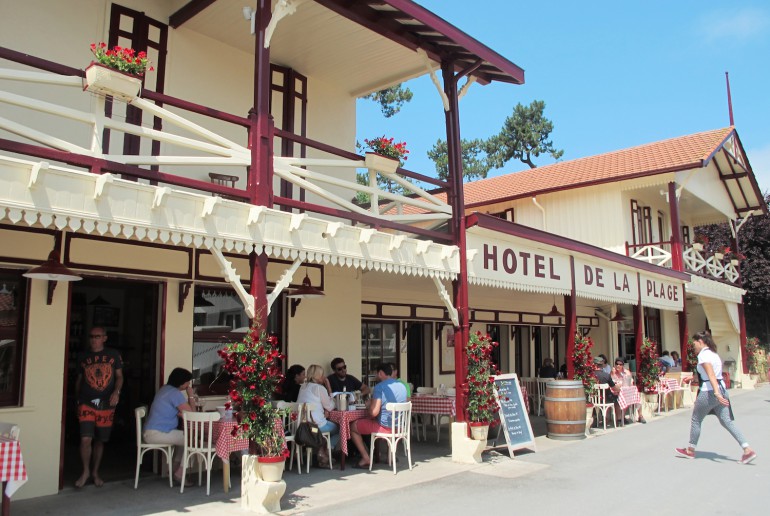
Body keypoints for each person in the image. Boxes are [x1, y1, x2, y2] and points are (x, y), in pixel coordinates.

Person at [675, 331, 756, 464]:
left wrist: (716, 393)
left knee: (696, 419)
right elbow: (711, 374)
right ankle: (747, 449)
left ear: (700, 342)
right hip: (722, 388)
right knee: (726, 421)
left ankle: (690, 450)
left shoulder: (703, 356)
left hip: (709, 391)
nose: (693, 346)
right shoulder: (714, 354)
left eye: (694, 343)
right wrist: (694, 377)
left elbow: (711, 374)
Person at [75, 327, 123, 488]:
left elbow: (119, 376)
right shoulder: (82, 356)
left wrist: (116, 392)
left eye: (97, 336)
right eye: (91, 336)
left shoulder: (113, 355)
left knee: (100, 440)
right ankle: (85, 471)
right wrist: (76, 400)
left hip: (106, 404)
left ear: (104, 338)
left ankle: (95, 472)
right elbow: (79, 379)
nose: (93, 339)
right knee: (85, 438)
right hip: (86, 402)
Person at [143, 368, 197, 486]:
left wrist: (179, 413)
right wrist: (191, 396)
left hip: (150, 432)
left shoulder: (164, 389)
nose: (189, 384)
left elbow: (169, 410)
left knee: (185, 439)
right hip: (157, 433)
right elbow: (192, 414)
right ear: (181, 382)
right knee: (193, 441)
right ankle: (179, 473)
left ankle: (174, 470)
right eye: (188, 382)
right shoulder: (175, 393)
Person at [349, 363, 407, 468]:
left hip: (385, 428)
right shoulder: (402, 386)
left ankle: (366, 457)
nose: (376, 375)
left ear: (380, 373)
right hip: (400, 427)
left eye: (376, 373)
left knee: (353, 426)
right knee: (376, 421)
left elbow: (374, 412)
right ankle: (391, 456)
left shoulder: (379, 387)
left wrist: (368, 406)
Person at [297, 364, 339, 468]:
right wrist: (328, 387)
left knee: (328, 428)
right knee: (339, 428)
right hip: (316, 427)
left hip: (303, 426)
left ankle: (321, 451)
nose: (324, 376)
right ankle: (325, 452)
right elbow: (330, 406)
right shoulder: (319, 388)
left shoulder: (303, 387)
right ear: (318, 376)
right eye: (322, 374)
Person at [610, 357, 646, 424]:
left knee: (637, 398)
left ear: (623, 365)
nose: (618, 366)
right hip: (616, 392)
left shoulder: (626, 372)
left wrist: (626, 382)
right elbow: (612, 383)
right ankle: (619, 419)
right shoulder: (613, 372)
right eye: (617, 364)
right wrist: (613, 374)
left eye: (620, 364)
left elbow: (630, 381)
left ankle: (640, 416)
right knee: (617, 400)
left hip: (626, 391)